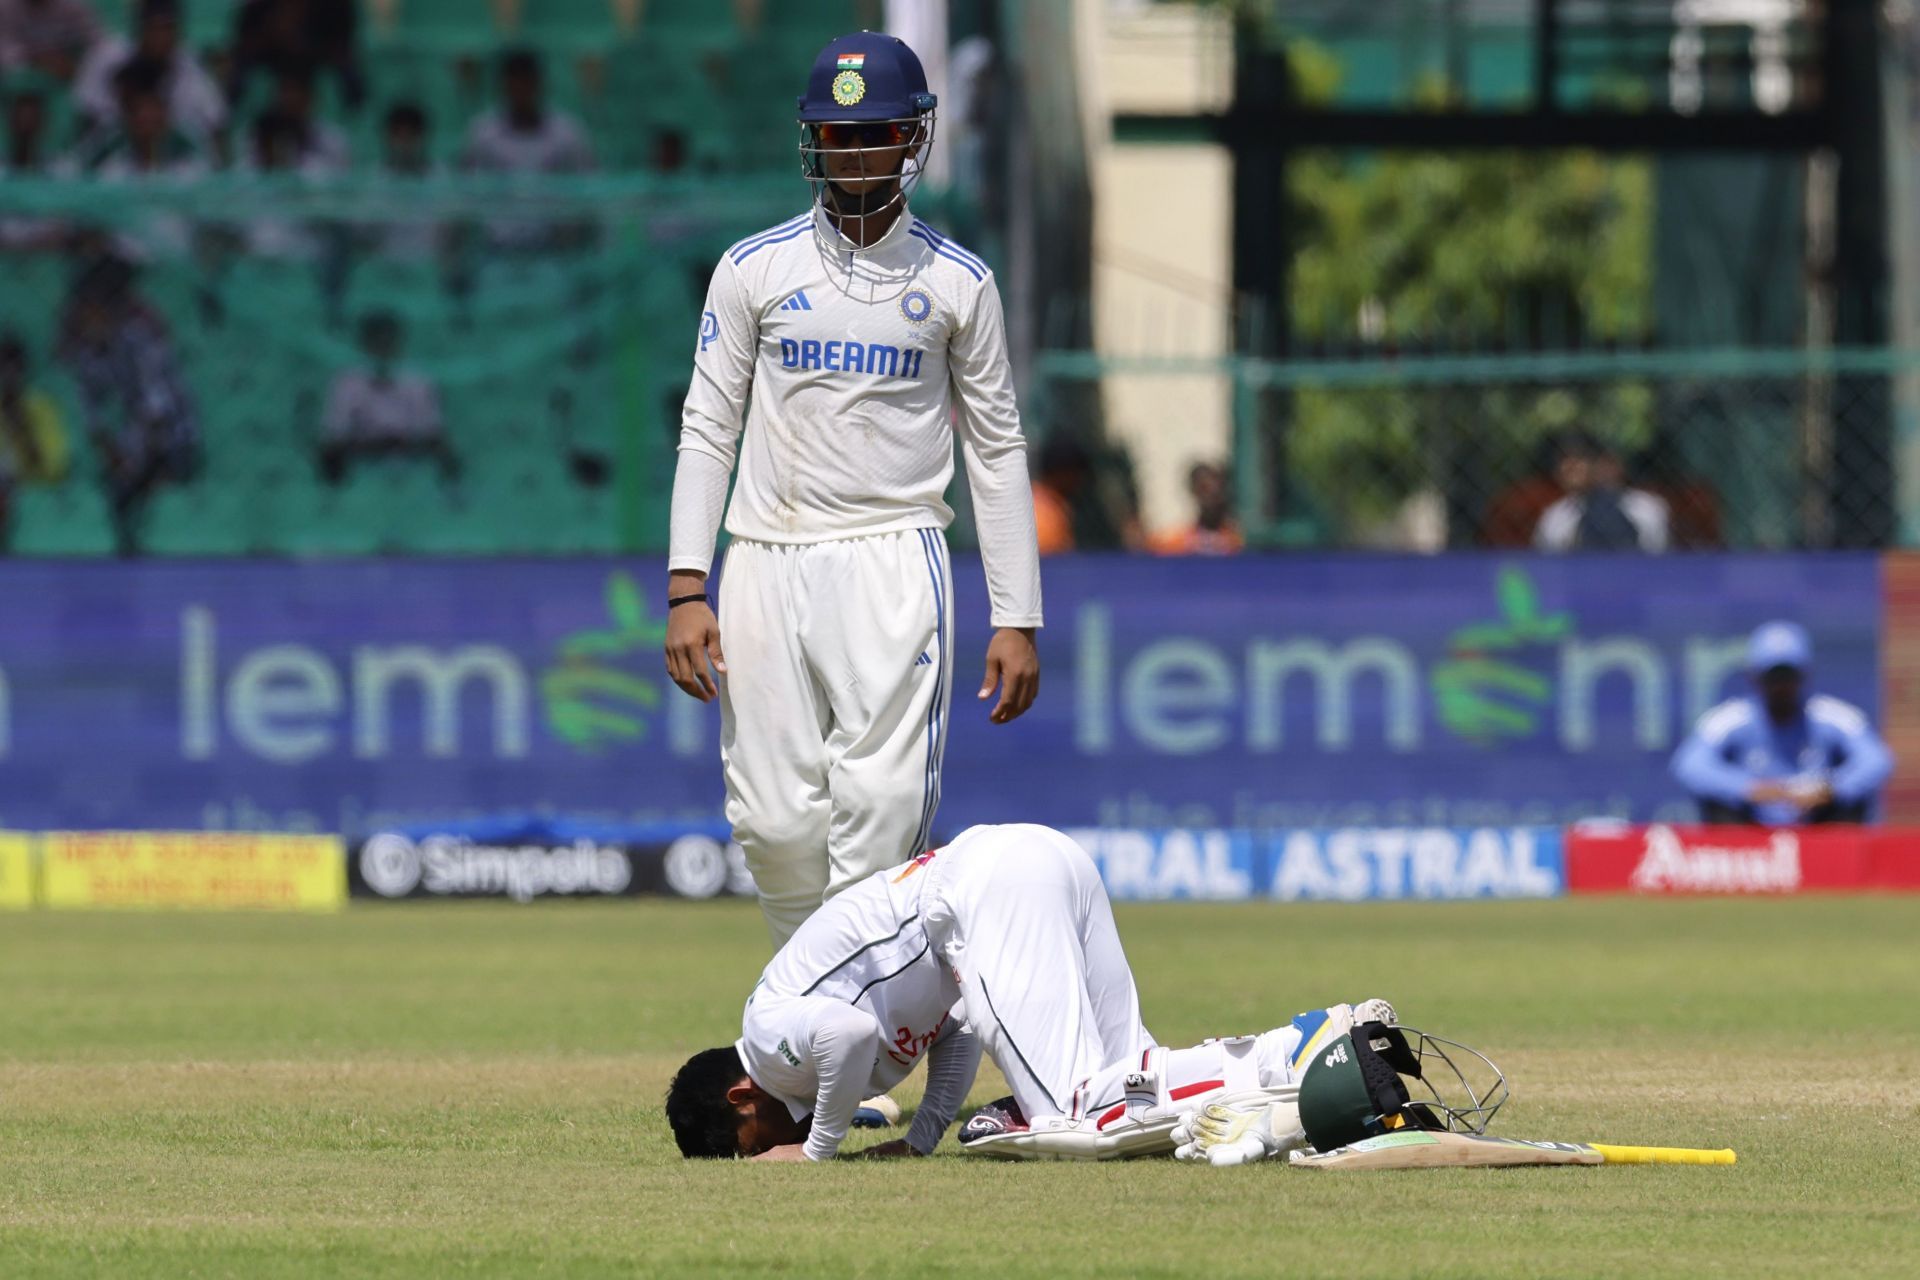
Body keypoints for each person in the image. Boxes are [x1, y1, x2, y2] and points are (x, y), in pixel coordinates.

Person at [662, 32, 1043, 946]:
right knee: (773, 822)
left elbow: (996, 447)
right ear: (812, 142)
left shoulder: (958, 282)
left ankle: (857, 1049)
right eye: (838, 134)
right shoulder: (755, 269)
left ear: (914, 137)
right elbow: (708, 426)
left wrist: (1016, 613)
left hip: (894, 558)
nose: (855, 152)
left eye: (875, 132)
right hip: (764, 555)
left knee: (877, 813)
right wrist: (686, 587)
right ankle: (821, 1015)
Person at [664, 822, 1396, 1163]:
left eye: (743, 1151)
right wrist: (919, 1143)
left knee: (1079, 1113)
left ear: (740, 1100)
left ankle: (1288, 1052)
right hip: (1035, 860)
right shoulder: (801, 1055)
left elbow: (849, 1039)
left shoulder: (765, 1033)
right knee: (1129, 1088)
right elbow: (954, 1030)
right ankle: (1318, 1059)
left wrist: (817, 1152)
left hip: (986, 888)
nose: (756, 1160)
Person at [1671, 621, 1893, 825]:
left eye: (1788, 676)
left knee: (1852, 804)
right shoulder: (1732, 718)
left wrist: (1831, 789)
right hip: (1753, 826)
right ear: (1754, 677)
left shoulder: (1829, 715)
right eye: (1773, 677)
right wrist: (1751, 789)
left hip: (1814, 822)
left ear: (1804, 675)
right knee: (1718, 807)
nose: (1781, 687)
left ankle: (1843, 866)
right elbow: (1690, 765)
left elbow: (1877, 760)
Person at [56, 256, 200, 555]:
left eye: (91, 311)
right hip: (131, 442)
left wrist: (140, 461)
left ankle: (149, 546)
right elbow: (92, 416)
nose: (84, 319)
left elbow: (157, 410)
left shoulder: (140, 342)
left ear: (106, 311)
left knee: (151, 488)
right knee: (111, 491)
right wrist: (114, 456)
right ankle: (123, 554)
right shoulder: (85, 354)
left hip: (172, 439)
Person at [318, 310, 453, 483]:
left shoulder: (419, 381)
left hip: (411, 462)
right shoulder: (347, 382)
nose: (383, 349)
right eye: (376, 342)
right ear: (365, 344)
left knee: (445, 454)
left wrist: (400, 444)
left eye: (388, 342)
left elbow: (431, 430)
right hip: (360, 463)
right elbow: (336, 432)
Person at [72, 0, 226, 146]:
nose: (161, 37)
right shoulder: (107, 57)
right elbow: (84, 115)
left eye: (168, 28)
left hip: (171, 155)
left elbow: (214, 119)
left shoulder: (188, 63)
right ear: (139, 28)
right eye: (154, 28)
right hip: (108, 153)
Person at [1532, 430, 1669, 553]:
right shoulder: (1555, 518)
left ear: (1598, 463)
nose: (1569, 467)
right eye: (1562, 460)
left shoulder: (1645, 509)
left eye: (1579, 458)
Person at [1150, 461, 1243, 556]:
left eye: (1218, 490)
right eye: (1204, 489)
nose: (1211, 497)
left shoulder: (1235, 542)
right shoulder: (1174, 543)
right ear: (1194, 491)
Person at [0, 0, 103, 83]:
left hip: (74, 68)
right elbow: (6, 51)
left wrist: (78, 62)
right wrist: (41, 60)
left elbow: (97, 41)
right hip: (27, 74)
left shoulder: (73, 4)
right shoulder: (5, 6)